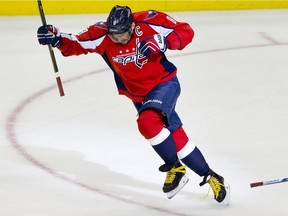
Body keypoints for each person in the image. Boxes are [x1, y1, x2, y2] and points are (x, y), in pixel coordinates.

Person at [37, 5, 230, 204]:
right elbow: (75, 43)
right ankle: (212, 177)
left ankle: (174, 168)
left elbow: (185, 31)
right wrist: (56, 38)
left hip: (164, 84)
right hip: (138, 96)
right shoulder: (101, 33)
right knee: (175, 138)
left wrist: (165, 41)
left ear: (132, 26)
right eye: (114, 36)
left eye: (123, 35)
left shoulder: (149, 21)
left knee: (147, 123)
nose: (119, 40)